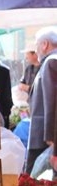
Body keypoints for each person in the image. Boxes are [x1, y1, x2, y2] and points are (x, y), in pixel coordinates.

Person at [24, 26, 57, 174]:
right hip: (44, 135)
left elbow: (52, 102)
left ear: (45, 44)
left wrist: (51, 136)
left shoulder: (51, 62)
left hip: (44, 138)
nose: (36, 50)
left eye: (37, 44)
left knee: (34, 180)